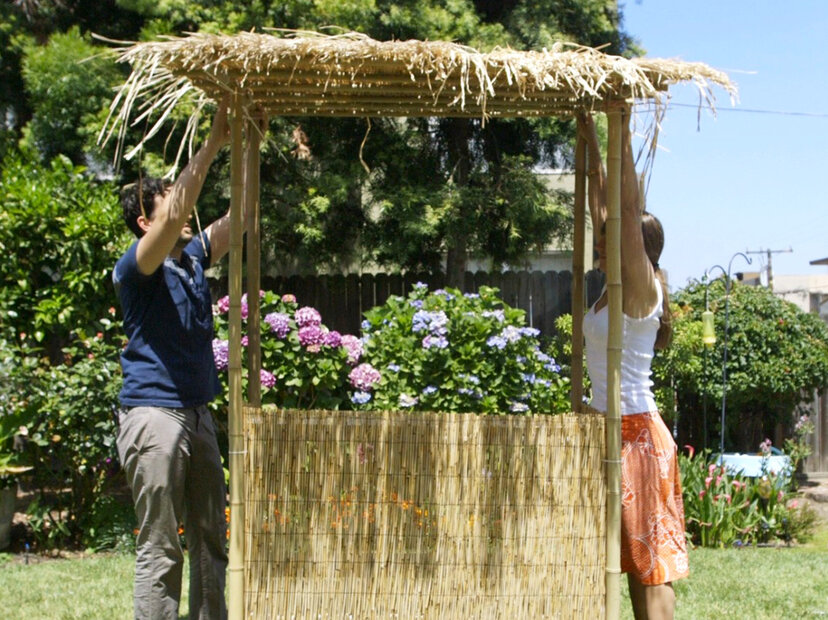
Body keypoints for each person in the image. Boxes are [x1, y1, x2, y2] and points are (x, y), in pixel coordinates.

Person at [113, 97, 262, 619]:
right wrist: (215, 139)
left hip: (197, 413)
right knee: (161, 547)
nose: (182, 207)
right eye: (167, 202)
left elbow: (242, 217)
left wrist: (250, 145)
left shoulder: (192, 258)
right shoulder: (136, 268)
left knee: (211, 539)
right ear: (144, 222)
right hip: (153, 414)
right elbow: (179, 210)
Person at [578, 109, 688, 620]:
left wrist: (620, 131)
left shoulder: (642, 290)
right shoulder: (611, 289)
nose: (602, 246)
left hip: (638, 435)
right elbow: (604, 205)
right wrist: (591, 140)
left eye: (612, 240)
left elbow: (624, 208)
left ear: (635, 246)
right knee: (624, 562)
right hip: (609, 430)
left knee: (649, 569)